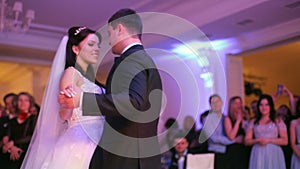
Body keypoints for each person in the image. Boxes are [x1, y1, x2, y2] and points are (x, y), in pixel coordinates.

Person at [59, 8, 163, 169]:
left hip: (127, 157)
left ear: (120, 29)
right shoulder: (142, 58)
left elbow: (134, 102)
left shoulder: (131, 59)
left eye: (109, 33)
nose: (108, 42)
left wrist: (82, 99)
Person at [20, 26, 105, 169]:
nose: (96, 49)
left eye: (98, 45)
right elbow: (64, 115)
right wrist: (67, 104)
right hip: (82, 140)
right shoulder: (71, 73)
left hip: (99, 136)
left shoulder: (90, 79)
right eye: (91, 44)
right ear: (76, 49)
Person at [245, 94, 288, 169]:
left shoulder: (278, 121)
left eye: (266, 105)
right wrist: (258, 140)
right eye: (261, 105)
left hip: (274, 152)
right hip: (258, 153)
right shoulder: (253, 122)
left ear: (271, 106)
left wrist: (268, 140)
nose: (264, 107)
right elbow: (247, 141)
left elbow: (285, 141)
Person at [2, 92, 37, 169]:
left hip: (28, 152)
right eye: (20, 100)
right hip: (12, 152)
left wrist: (13, 142)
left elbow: (33, 136)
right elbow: (6, 136)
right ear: (16, 103)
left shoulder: (34, 118)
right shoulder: (12, 121)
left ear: (30, 103)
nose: (23, 103)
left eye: (26, 100)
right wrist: (11, 148)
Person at [204, 94, 234, 169]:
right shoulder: (208, 119)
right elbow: (214, 139)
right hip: (215, 153)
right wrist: (234, 140)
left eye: (217, 101)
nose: (216, 104)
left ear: (222, 102)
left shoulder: (226, 118)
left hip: (227, 153)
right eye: (213, 102)